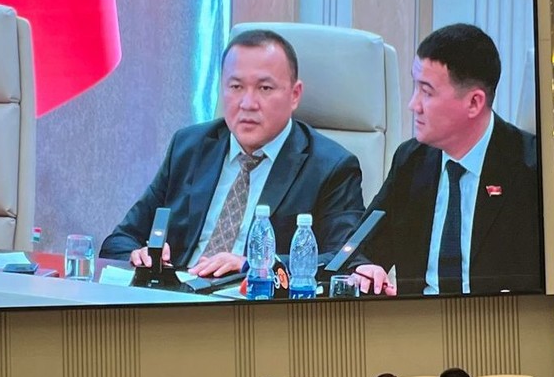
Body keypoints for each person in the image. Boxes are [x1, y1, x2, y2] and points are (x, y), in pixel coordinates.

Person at [101, 29, 365, 277]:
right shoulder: (189, 147)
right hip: (177, 297)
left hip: (254, 302)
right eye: (236, 87)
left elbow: (343, 260)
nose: (247, 104)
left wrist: (254, 265)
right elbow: (119, 241)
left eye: (265, 88)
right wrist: (139, 255)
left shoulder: (331, 167)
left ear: (295, 95)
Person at [352, 23, 540, 296]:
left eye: (427, 92)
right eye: (416, 88)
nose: (413, 105)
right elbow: (361, 247)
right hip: (418, 319)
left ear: (474, 103)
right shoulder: (411, 161)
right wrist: (364, 267)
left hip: (498, 319)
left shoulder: (530, 169)